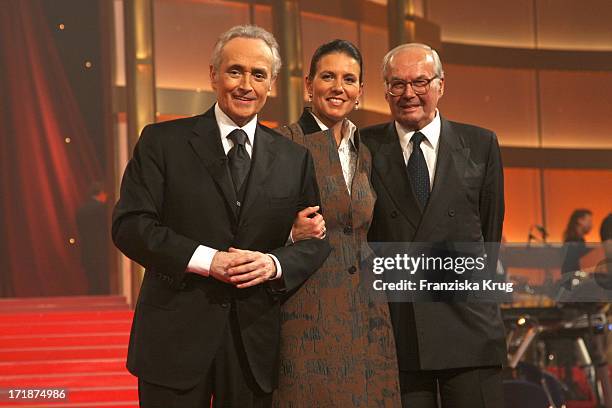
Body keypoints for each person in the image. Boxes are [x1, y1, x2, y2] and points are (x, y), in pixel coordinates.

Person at [112, 25, 330, 408]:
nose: (246, 84)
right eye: (235, 71)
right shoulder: (162, 142)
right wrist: (208, 261)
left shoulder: (295, 159)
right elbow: (130, 226)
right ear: (213, 74)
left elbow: (315, 241)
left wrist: (275, 261)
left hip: (253, 344)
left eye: (258, 74)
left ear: (271, 83)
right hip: (173, 339)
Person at [362, 43, 506, 407]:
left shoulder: (481, 144)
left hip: (469, 326)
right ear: (385, 90)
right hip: (396, 331)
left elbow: (489, 234)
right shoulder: (362, 146)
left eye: (420, 82)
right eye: (397, 84)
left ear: (441, 85)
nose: (409, 94)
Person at [273, 40, 401, 407]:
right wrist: (288, 232)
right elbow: (249, 226)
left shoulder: (365, 150)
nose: (338, 87)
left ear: (360, 92)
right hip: (305, 316)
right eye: (328, 76)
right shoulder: (282, 143)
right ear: (308, 84)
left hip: (368, 315)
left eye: (349, 79)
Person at [76, 181, 110, 294]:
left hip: (86, 248)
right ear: (101, 193)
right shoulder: (104, 209)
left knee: (92, 277)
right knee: (102, 278)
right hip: (102, 248)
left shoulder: (81, 210)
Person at [561, 209, 593, 275]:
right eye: (589, 221)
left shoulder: (578, 240)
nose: (591, 225)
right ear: (580, 220)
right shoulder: (572, 241)